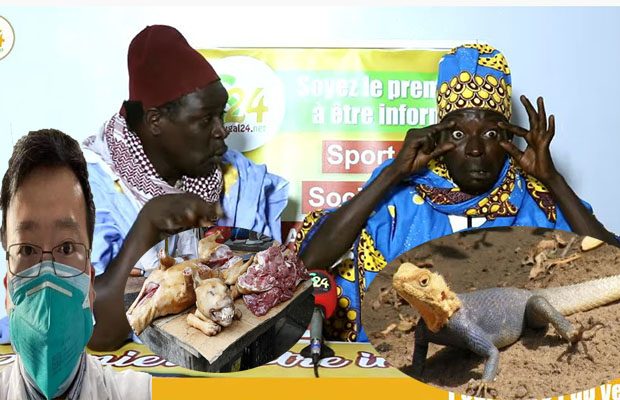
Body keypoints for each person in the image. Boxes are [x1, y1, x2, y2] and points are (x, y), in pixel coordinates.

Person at [296, 44, 618, 342]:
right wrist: (394, 173)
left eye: (491, 133)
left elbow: (612, 262)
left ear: (508, 138)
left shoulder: (537, 199)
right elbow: (312, 260)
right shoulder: (403, 199)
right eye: (459, 133)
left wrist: (553, 179)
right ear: (438, 138)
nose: (476, 148)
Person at [82, 25, 289, 350]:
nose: (222, 131)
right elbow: (97, 332)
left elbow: (267, 301)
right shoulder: (93, 185)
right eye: (206, 120)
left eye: (221, 115)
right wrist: (148, 225)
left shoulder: (239, 179)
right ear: (155, 122)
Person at [0, 129, 151, 399]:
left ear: (90, 283)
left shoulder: (140, 393)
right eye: (27, 249)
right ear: (8, 290)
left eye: (67, 248)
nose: (47, 276)